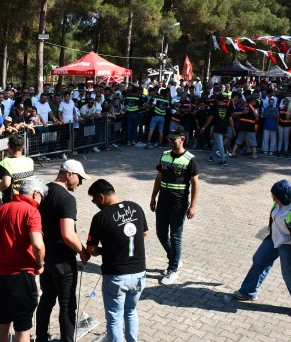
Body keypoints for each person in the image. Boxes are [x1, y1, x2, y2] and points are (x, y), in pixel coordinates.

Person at [233, 180, 291, 318]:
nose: (274, 200)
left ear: (284, 196)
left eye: (276, 197)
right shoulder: (278, 202)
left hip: (289, 243)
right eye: (273, 197)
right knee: (259, 260)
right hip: (274, 237)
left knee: (289, 273)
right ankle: (248, 292)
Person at [0, 176, 47, 342]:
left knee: (2, 322)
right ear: (36, 194)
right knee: (23, 327)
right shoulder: (32, 212)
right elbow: (38, 245)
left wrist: (4, 249)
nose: (41, 201)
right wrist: (39, 264)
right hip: (21, 276)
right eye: (41, 197)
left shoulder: (1, 209)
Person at [36, 160, 92, 342]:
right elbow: (68, 234)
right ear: (69, 175)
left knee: (46, 299)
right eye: (79, 178)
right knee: (67, 305)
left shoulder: (42, 191)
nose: (80, 183)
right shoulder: (67, 199)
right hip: (63, 260)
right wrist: (82, 251)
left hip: (44, 257)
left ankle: (41, 338)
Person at [86, 179, 148, 342]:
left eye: (94, 200)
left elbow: (91, 249)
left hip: (116, 275)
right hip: (139, 273)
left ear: (101, 197)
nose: (95, 204)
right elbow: (144, 233)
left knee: (114, 318)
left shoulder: (100, 217)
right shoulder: (136, 207)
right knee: (131, 312)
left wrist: (103, 250)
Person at [149, 124, 199, 285]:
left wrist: (193, 206)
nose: (170, 141)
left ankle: (173, 269)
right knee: (161, 234)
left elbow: (195, 184)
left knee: (175, 236)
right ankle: (175, 258)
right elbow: (158, 178)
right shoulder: (164, 155)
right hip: (163, 201)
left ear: (182, 139)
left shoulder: (190, 159)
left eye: (173, 139)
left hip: (179, 203)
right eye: (169, 139)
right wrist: (153, 198)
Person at [0, 134, 34, 204]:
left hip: (12, 202)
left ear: (9, 147)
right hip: (28, 200)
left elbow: (6, 183)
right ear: (23, 147)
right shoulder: (30, 161)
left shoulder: (5, 162)